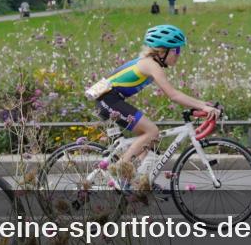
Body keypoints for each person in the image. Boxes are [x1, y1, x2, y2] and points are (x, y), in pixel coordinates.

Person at [85, 25, 219, 193]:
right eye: (176, 50)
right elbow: (174, 95)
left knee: (150, 140)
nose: (179, 54)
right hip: (109, 100)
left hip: (110, 99)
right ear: (163, 51)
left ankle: (141, 181)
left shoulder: (151, 64)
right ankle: (120, 172)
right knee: (151, 131)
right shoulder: (151, 65)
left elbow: (175, 94)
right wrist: (202, 106)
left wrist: (203, 104)